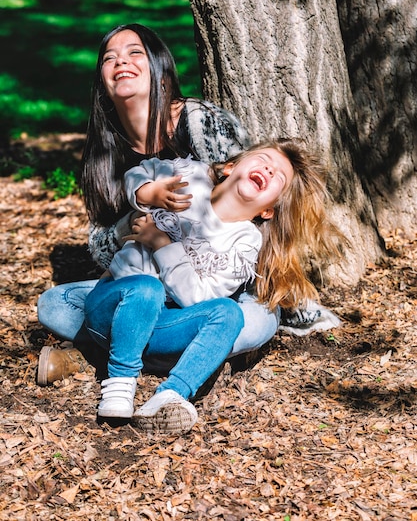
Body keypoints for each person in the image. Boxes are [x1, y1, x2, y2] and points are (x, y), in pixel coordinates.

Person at [36, 23, 342, 431]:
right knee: (55, 304)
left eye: (135, 53)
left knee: (255, 322)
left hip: (213, 290)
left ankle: (106, 357)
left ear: (160, 68)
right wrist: (137, 211)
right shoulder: (105, 151)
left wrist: (163, 241)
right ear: (102, 81)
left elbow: (248, 202)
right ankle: (165, 354)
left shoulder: (197, 124)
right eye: (110, 57)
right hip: (139, 283)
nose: (121, 62)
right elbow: (101, 247)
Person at [84, 141, 296, 424]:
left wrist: (160, 243)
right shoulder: (189, 177)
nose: (269, 169)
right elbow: (140, 171)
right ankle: (121, 381)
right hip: (118, 302)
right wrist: (149, 191)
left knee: (229, 313)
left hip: (164, 321)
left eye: (278, 177)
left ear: (267, 211)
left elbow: (199, 298)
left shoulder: (245, 242)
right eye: (264, 159)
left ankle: (171, 395)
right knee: (143, 289)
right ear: (229, 168)